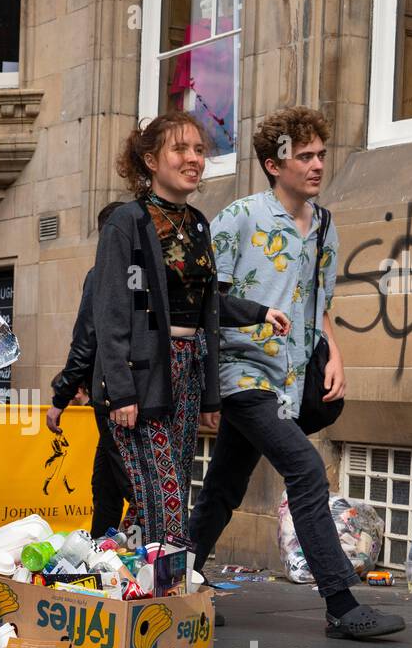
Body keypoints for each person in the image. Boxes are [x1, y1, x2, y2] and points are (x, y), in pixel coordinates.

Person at [189, 106, 405, 640]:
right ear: (272, 164)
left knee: (225, 484)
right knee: (305, 470)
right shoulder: (239, 218)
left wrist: (335, 352)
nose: (316, 165)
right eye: (303, 156)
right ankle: (340, 603)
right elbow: (202, 304)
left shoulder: (325, 224)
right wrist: (206, 391)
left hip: (289, 376)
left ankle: (178, 582)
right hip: (240, 374)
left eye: (320, 155)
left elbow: (318, 301)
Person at [90, 111, 289, 547]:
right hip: (143, 373)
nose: (194, 158)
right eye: (180, 149)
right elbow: (110, 310)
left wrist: (259, 313)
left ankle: (146, 583)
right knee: (163, 495)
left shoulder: (198, 222)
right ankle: (173, 591)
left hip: (188, 368)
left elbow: (207, 306)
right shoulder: (128, 222)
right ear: (150, 160)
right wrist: (121, 390)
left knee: (172, 483)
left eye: (199, 150)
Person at [48, 202, 137, 537]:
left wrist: (61, 399)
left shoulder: (101, 273)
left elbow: (85, 340)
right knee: (106, 484)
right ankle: (102, 550)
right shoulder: (147, 272)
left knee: (133, 486)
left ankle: (162, 565)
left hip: (114, 396)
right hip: (143, 392)